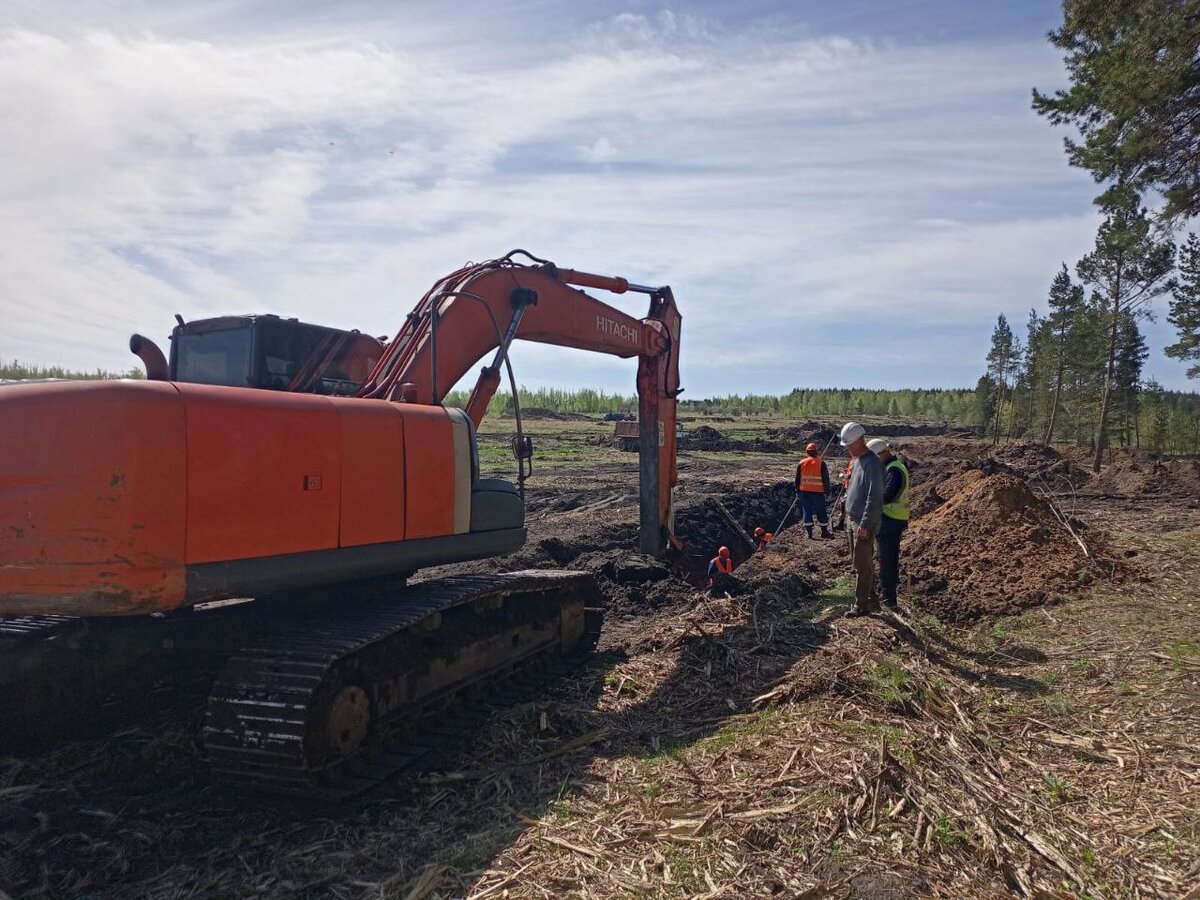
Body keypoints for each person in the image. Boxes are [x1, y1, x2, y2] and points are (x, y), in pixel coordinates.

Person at [840, 422, 884, 617]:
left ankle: (861, 605)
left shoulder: (873, 463)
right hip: (853, 518)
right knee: (858, 561)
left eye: (849, 444)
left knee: (862, 563)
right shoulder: (857, 460)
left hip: (862, 521)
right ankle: (872, 598)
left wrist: (866, 523)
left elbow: (874, 496)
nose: (847, 448)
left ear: (859, 440)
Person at [868, 438, 910, 611]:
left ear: (883, 453)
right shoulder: (890, 468)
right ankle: (885, 591)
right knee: (885, 558)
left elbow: (888, 495)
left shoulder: (894, 470)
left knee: (888, 559)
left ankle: (889, 597)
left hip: (891, 520)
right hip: (890, 519)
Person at [794, 442, 833, 540]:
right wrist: (828, 491)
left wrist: (797, 490)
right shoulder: (821, 463)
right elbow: (825, 479)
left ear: (807, 452)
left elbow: (797, 478)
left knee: (807, 511)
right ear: (816, 452)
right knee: (821, 511)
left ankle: (809, 534)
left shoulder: (802, 463)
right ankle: (824, 532)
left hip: (805, 492)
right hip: (817, 492)